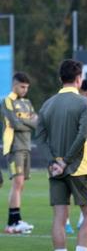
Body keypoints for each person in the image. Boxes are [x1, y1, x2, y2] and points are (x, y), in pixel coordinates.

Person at [34, 59, 87, 251]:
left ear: (59, 79)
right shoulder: (85, 104)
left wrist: (54, 161)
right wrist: (67, 161)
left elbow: (40, 139)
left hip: (55, 170)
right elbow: (84, 135)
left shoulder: (47, 105)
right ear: (79, 79)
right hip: (80, 169)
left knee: (59, 218)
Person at [3, 72, 37, 234]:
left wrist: (23, 120)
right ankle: (13, 222)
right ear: (14, 85)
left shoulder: (28, 102)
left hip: (26, 147)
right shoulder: (7, 101)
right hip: (14, 147)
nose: (25, 90)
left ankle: (14, 221)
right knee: (17, 183)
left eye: (27, 87)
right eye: (22, 87)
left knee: (21, 185)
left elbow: (37, 123)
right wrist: (27, 121)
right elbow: (14, 124)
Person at [68, 78, 87, 234]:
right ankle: (66, 222)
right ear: (80, 91)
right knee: (65, 187)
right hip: (68, 150)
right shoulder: (71, 104)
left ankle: (83, 220)